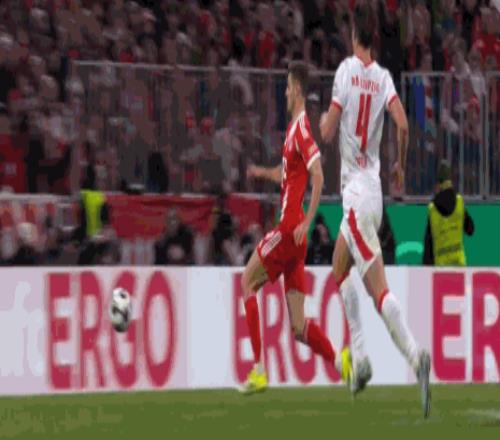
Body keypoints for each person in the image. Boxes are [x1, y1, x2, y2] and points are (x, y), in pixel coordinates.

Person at [319, 4, 431, 417]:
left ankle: (416, 356)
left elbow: (327, 130)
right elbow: (403, 124)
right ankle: (362, 358)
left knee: (377, 289)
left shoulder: (346, 71)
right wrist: (399, 164)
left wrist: (323, 119)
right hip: (374, 193)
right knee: (339, 266)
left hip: (355, 197)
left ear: (354, 35)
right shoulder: (383, 78)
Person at [242, 61, 348, 394]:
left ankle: (259, 370)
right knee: (299, 327)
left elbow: (319, 175)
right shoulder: (293, 130)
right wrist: (261, 172)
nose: (285, 93)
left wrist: (307, 219)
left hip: (289, 229)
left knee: (247, 283)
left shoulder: (302, 129)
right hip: (295, 237)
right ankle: (341, 362)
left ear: (298, 90)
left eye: (288, 87)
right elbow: (286, 174)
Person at [423, 161, 474, 266]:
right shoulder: (459, 202)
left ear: (438, 185)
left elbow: (428, 247)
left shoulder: (432, 209)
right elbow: (470, 230)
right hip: (459, 266)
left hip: (440, 268)